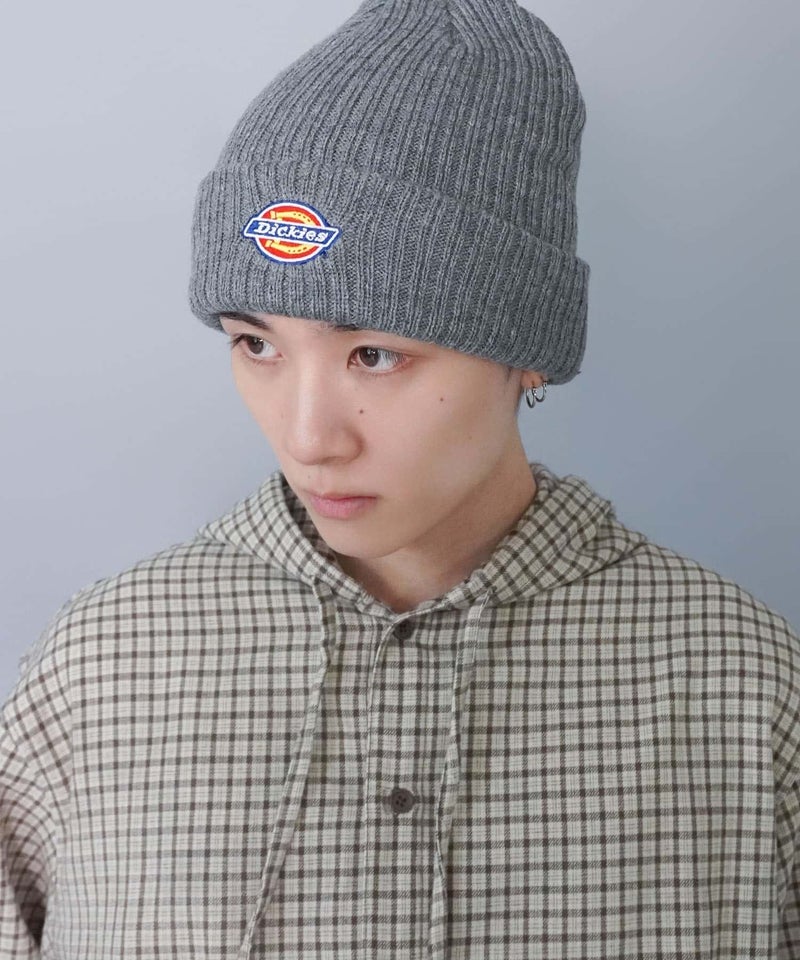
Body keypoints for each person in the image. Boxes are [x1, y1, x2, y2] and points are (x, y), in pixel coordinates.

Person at [1, 0, 798, 957]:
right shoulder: (103, 664)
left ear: (526, 351)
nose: (308, 438)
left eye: (375, 354)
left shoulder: (741, 682)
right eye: (256, 343)